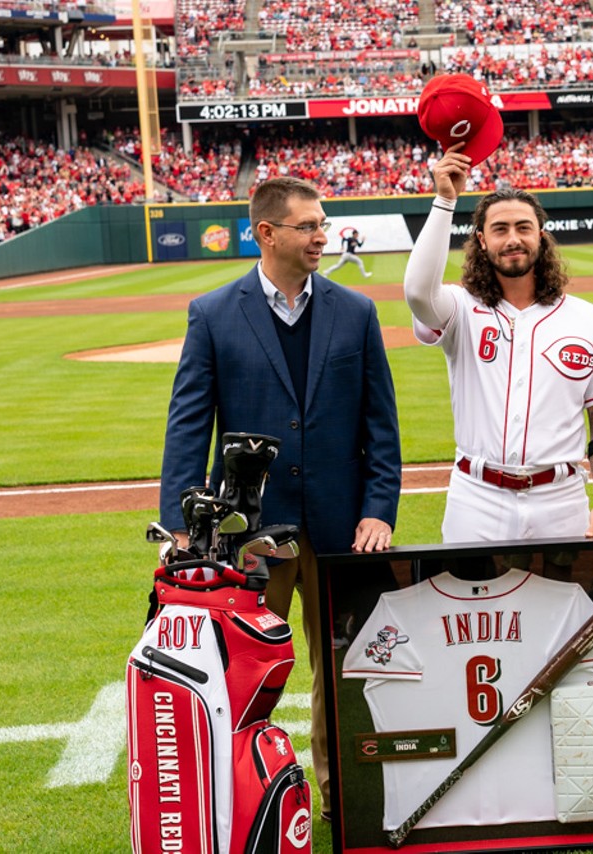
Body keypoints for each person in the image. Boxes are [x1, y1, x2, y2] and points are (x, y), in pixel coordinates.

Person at [159, 175, 402, 823]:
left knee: (345, 670)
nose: (323, 234)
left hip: (342, 527)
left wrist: (379, 509)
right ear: (267, 233)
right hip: (249, 530)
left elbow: (381, 423)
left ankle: (342, 799)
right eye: (309, 225)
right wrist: (182, 525)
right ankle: (239, 796)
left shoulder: (356, 311)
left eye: (324, 223)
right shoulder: (212, 313)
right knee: (242, 673)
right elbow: (189, 424)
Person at [403, 143, 593, 547]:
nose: (513, 239)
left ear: (541, 237)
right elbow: (419, 293)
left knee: (566, 608)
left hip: (560, 498)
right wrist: (444, 200)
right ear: (481, 240)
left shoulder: (585, 317)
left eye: (523, 228)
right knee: (475, 608)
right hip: (477, 496)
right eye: (500, 229)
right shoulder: (460, 308)